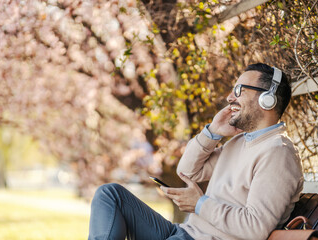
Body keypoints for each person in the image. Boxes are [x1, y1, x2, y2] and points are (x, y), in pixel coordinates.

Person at [88, 63, 304, 240]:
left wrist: (200, 204)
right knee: (110, 195)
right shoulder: (240, 142)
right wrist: (211, 133)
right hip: (184, 232)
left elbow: (254, 228)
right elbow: (187, 173)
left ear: (268, 99)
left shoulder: (278, 153)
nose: (230, 97)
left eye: (239, 90)